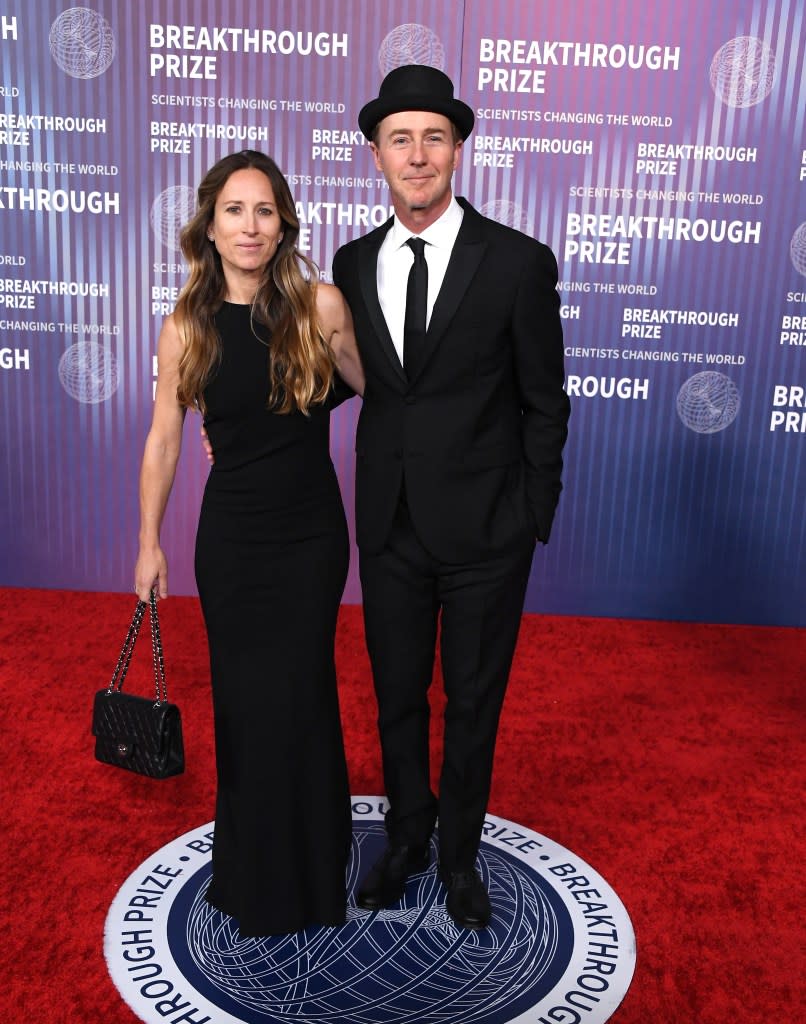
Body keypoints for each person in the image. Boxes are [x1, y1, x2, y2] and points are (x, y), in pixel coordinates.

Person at [331, 65, 571, 930]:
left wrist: (528, 518)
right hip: (390, 524)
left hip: (487, 534)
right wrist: (242, 415)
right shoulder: (351, 262)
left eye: (434, 137)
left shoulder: (516, 261)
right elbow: (348, 381)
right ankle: (406, 836)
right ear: (376, 156)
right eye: (401, 139)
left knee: (474, 701)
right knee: (396, 694)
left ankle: (461, 856)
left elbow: (545, 402)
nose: (418, 154)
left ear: (459, 151)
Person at [134, 149, 364, 937]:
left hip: (309, 537)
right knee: (242, 701)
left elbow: (386, 393)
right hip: (230, 541)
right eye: (234, 210)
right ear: (209, 223)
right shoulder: (185, 325)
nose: (250, 225)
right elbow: (165, 440)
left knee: (300, 693)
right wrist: (148, 544)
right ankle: (252, 868)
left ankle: (314, 858)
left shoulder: (320, 307)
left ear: (283, 223)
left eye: (264, 210)